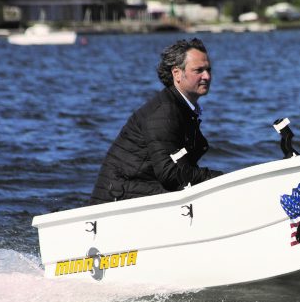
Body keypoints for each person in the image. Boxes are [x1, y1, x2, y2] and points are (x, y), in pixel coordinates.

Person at [90, 38, 222, 204]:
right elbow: (169, 173)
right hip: (116, 201)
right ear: (177, 74)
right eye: (199, 70)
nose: (207, 76)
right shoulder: (163, 112)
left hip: (138, 190)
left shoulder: (181, 108)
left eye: (209, 69)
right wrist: (218, 179)